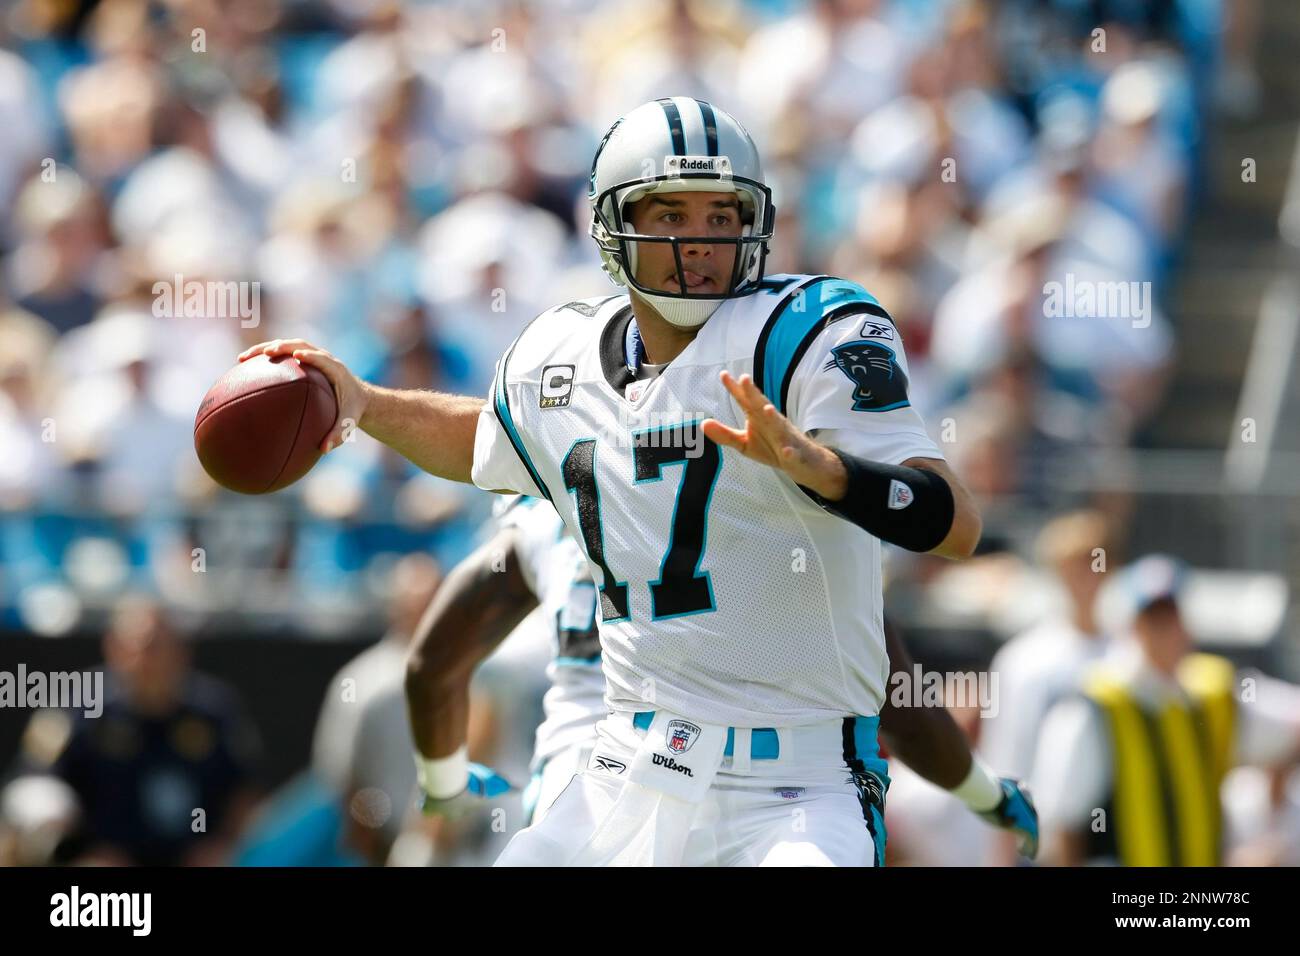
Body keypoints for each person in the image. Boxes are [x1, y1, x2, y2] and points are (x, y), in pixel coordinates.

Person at [240, 98, 982, 866]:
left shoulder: (808, 333)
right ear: (611, 227)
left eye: (721, 216)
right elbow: (484, 441)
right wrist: (365, 402)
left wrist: (830, 474)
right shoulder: (558, 357)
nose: (699, 241)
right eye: (670, 214)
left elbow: (956, 524)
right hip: (631, 763)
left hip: (799, 780)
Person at [407, 496, 1036, 856]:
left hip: (583, 797)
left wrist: (444, 782)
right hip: (750, 800)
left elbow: (431, 665)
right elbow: (902, 711)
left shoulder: (549, 513)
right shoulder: (774, 517)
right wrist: (991, 796)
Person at [1033, 555, 1300, 866]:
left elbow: (1290, 730)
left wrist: (1271, 822)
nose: (1167, 631)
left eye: (1172, 617)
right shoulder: (1093, 707)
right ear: (1132, 627)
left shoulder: (1211, 697)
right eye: (1154, 620)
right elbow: (1064, 824)